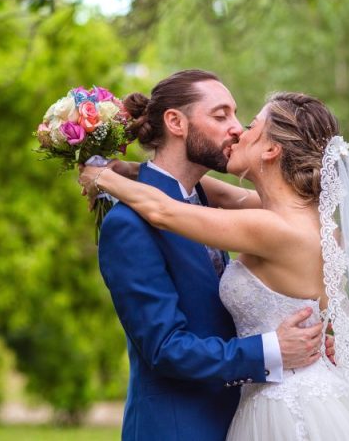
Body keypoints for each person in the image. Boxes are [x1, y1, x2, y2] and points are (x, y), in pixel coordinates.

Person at [80, 91, 349, 440]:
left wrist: (101, 176)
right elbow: (217, 194)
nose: (238, 132)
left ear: (272, 149)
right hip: (296, 392)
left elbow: (166, 211)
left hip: (288, 408)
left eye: (250, 126)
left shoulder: (273, 229)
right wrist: (134, 170)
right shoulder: (300, 218)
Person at [82, 70, 330, 441]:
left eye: (239, 117)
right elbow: (165, 349)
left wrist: (111, 175)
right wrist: (273, 349)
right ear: (175, 123)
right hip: (179, 429)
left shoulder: (214, 207)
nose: (236, 129)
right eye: (220, 115)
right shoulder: (127, 224)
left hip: (254, 418)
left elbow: (175, 207)